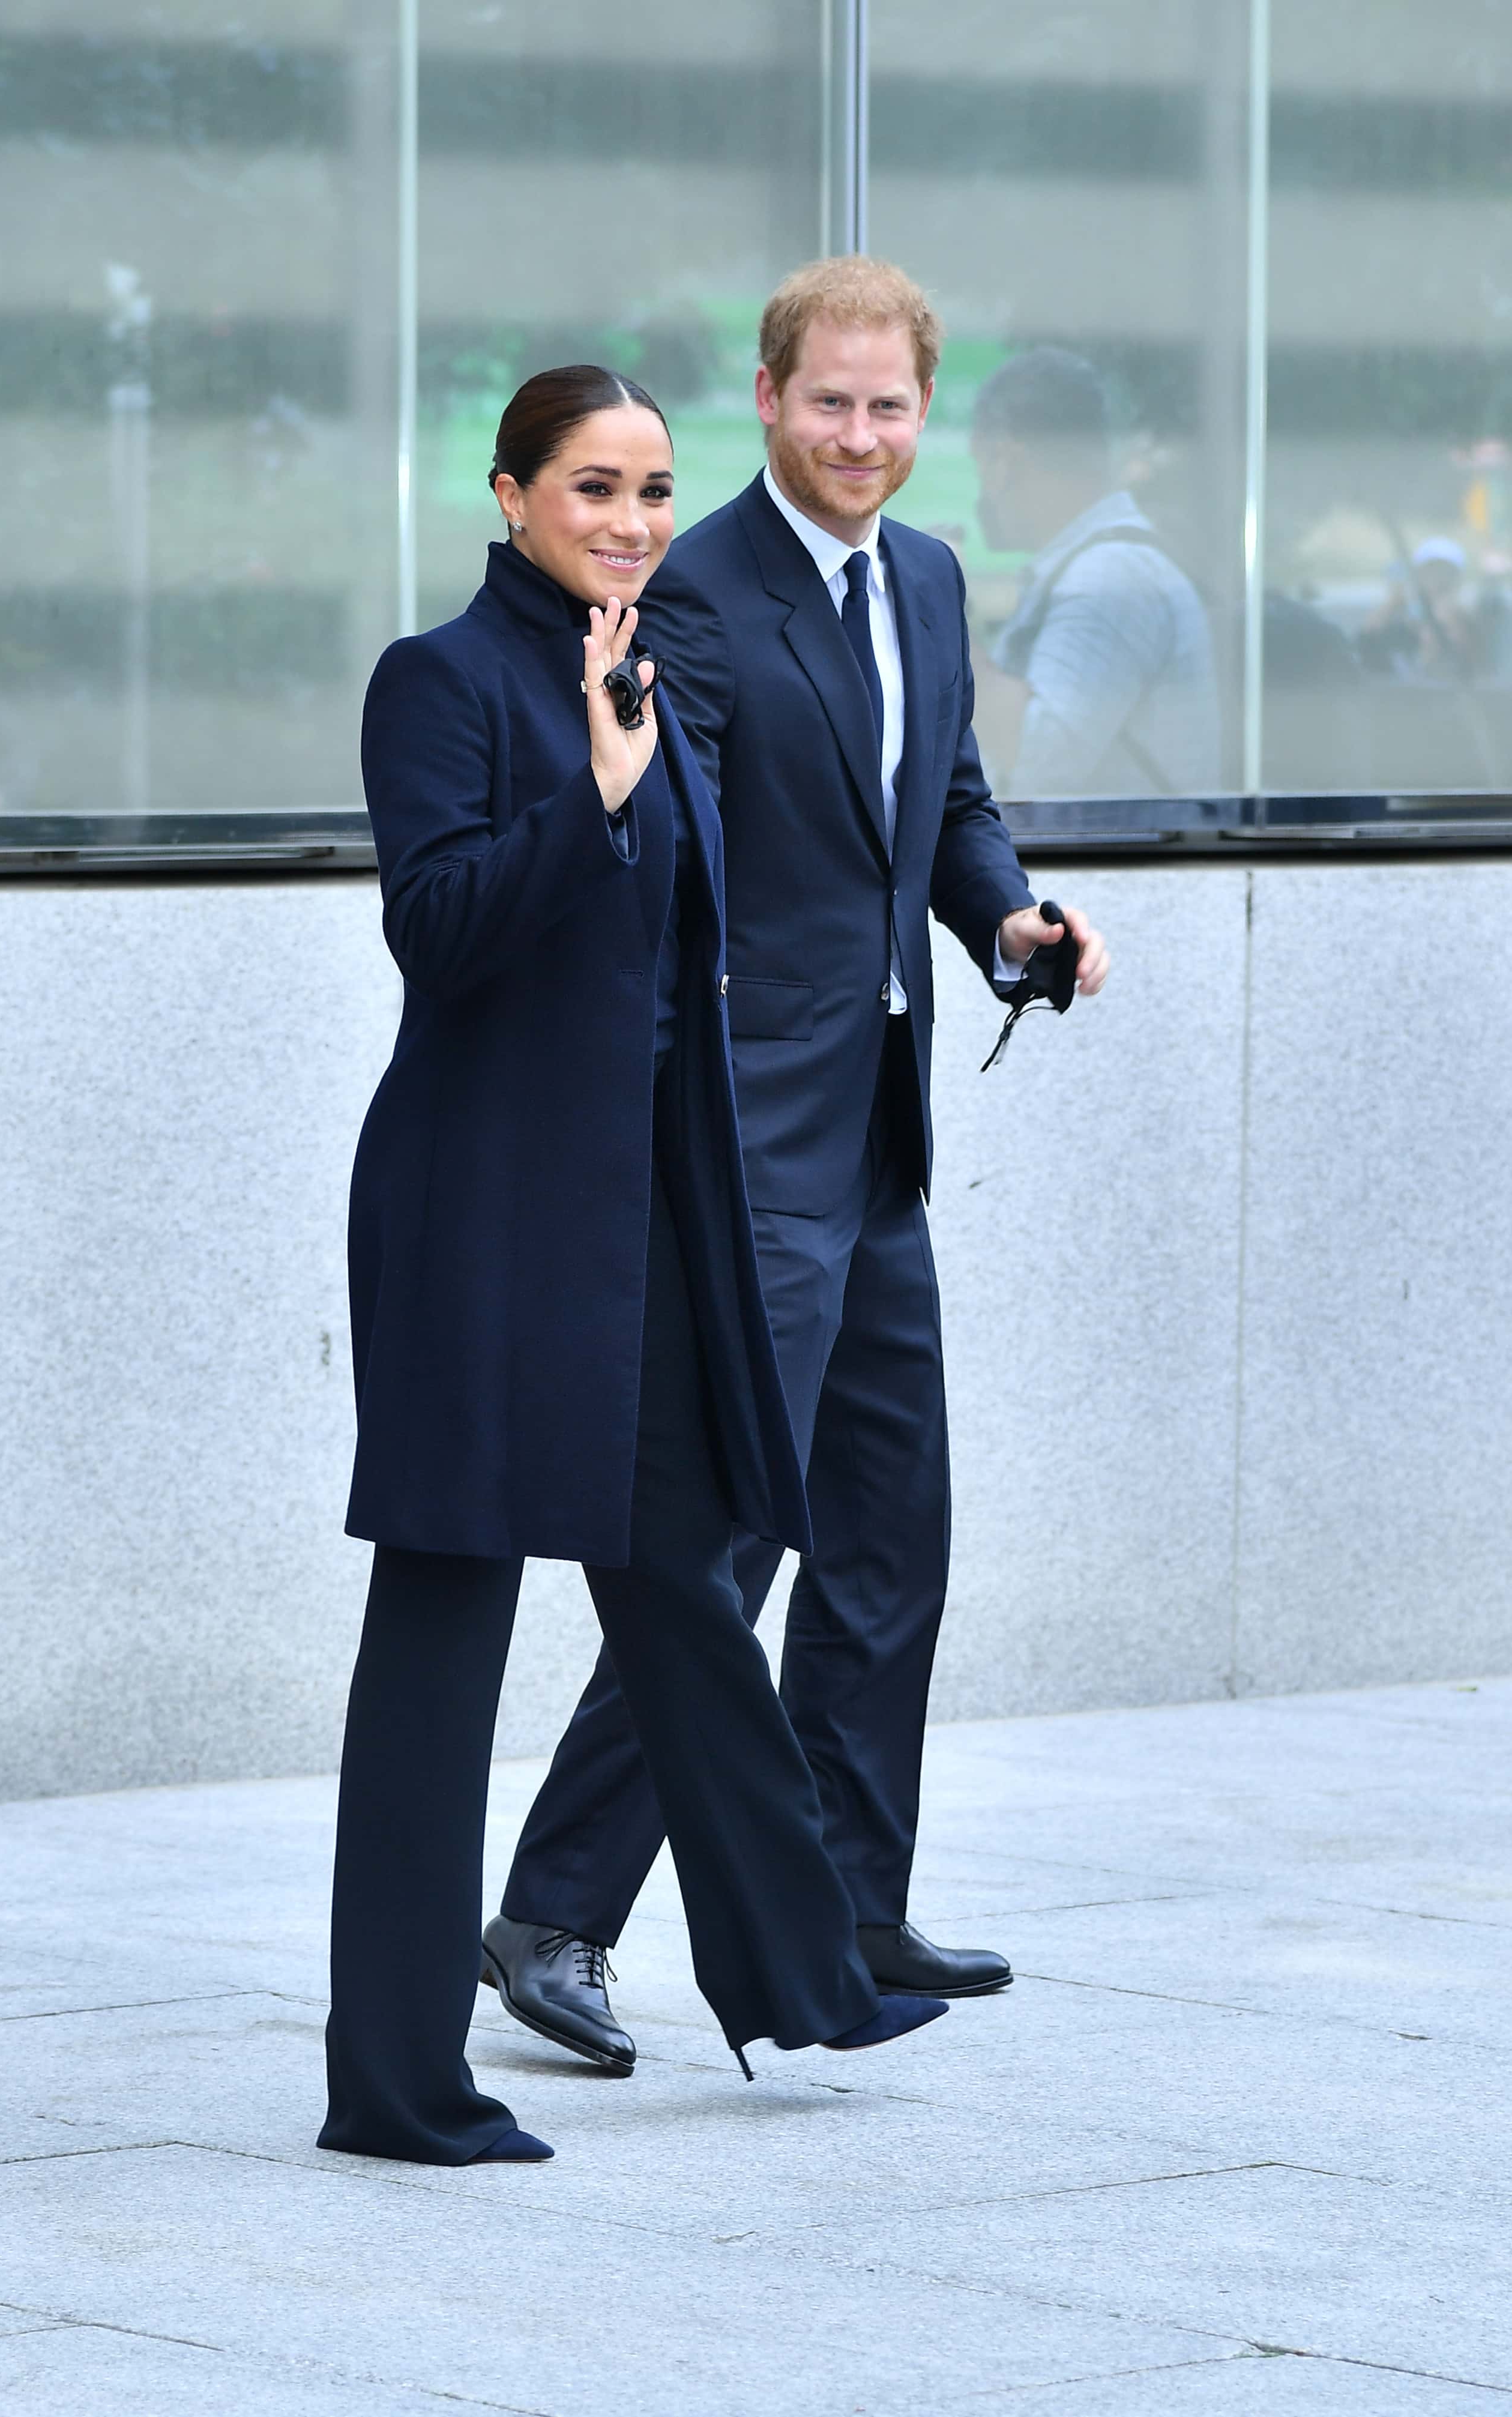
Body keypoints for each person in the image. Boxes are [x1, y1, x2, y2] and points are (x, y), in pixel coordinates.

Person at [318, 363, 948, 2170]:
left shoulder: (652, 673)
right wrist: (590, 797)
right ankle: (396, 2081)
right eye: (593, 488)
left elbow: (691, 965)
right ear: (511, 497)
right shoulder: (438, 682)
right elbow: (435, 934)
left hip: (641, 1219)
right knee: (445, 1623)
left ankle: (799, 1969)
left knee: (681, 1571)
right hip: (481, 1219)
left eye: (657, 490)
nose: (632, 522)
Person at [483, 262, 1109, 2076]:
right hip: (743, 1144)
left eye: (889, 407)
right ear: (766, 401)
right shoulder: (696, 593)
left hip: (877, 1132)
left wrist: (1011, 922)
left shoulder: (922, 576)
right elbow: (672, 866)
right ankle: (555, 1910)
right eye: (826, 403)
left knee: (886, 1526)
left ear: (923, 414)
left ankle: (848, 1900)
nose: (858, 437)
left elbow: (949, 800)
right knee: (728, 1535)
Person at [968, 346, 1220, 800]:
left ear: (1006, 460)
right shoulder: (1094, 566)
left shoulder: (1108, 577)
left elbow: (1039, 760)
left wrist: (935, 617)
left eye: (982, 464)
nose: (982, 487)